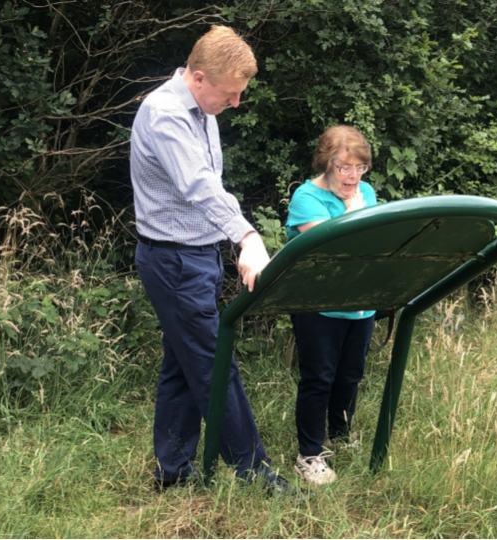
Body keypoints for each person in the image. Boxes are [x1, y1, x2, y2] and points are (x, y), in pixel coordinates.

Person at [130, 25, 289, 493]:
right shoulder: (165, 114)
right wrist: (247, 236)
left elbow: (211, 186)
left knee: (182, 365)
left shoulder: (203, 108)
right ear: (198, 77)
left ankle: (173, 473)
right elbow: (199, 185)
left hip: (196, 256)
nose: (236, 103)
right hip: (174, 262)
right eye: (231, 94)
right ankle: (254, 472)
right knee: (214, 362)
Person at [285, 125, 378, 485]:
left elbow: (376, 245)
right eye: (344, 167)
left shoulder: (365, 192)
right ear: (326, 164)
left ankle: (339, 435)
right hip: (318, 303)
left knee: (350, 375)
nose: (353, 177)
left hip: (360, 303)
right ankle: (309, 454)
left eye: (360, 168)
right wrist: (354, 212)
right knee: (318, 378)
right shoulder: (306, 199)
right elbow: (336, 250)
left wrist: (358, 210)